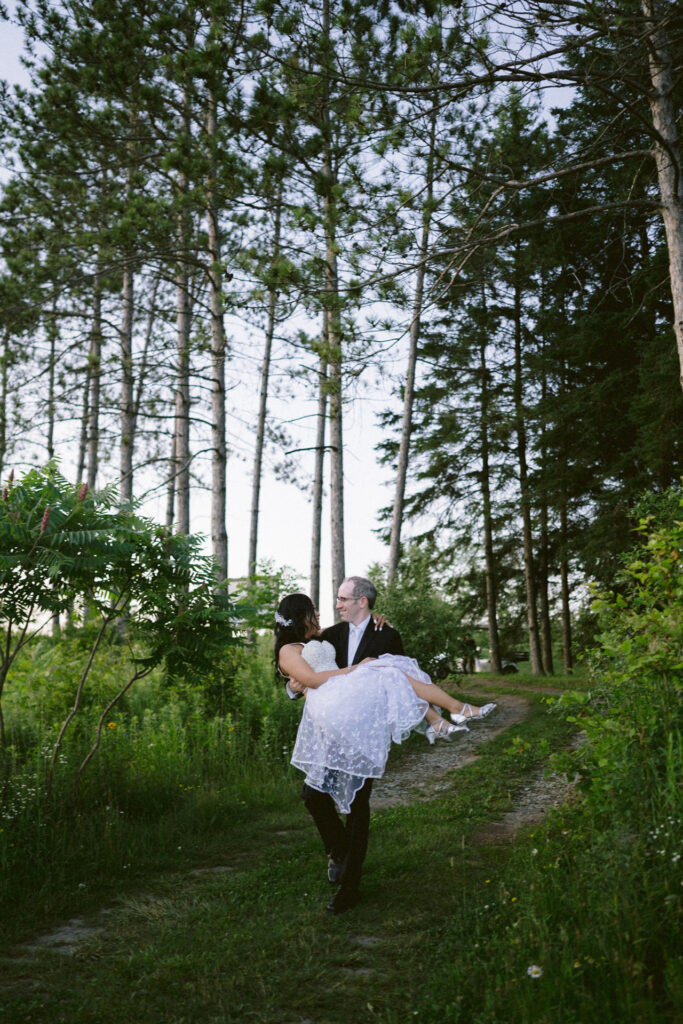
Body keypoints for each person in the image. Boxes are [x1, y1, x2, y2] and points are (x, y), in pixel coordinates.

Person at [276, 579, 495, 914]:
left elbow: (404, 683)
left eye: (343, 599)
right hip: (331, 728)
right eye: (336, 600)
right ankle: (339, 852)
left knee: (358, 806)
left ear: (362, 602)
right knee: (312, 796)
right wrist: (294, 686)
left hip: (366, 731)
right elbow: (307, 669)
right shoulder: (329, 635)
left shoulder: (387, 634)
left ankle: (349, 887)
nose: (337, 605)